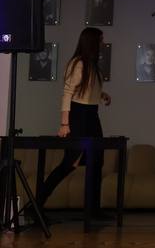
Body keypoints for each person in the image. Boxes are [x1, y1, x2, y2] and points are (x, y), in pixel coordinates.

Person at [35, 28, 111, 212]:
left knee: (96, 161)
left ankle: (93, 209)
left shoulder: (92, 65)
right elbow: (68, 93)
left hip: (92, 114)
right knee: (70, 162)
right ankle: (37, 204)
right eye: (100, 40)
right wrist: (64, 124)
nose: (103, 43)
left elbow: (87, 89)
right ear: (92, 42)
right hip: (78, 115)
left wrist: (102, 95)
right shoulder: (78, 64)